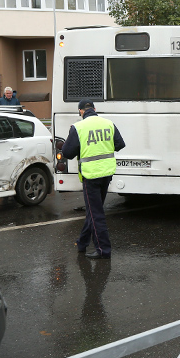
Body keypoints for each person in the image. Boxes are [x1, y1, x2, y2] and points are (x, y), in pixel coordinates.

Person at [61, 99, 126, 259]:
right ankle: (82, 242)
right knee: (93, 211)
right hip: (107, 173)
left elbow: (67, 153)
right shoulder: (108, 123)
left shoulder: (78, 127)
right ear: (94, 109)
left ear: (80, 111)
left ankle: (103, 250)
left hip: (91, 176)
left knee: (96, 213)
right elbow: (119, 144)